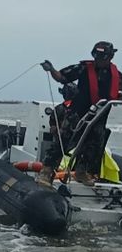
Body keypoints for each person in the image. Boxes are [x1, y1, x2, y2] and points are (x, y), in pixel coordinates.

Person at [38, 41, 122, 186]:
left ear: (110, 57)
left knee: (95, 144)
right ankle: (47, 171)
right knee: (63, 142)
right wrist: (51, 69)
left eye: (103, 57)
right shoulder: (83, 68)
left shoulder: (117, 75)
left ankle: (82, 172)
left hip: (99, 117)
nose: (100, 60)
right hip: (77, 114)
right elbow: (61, 77)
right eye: (97, 57)